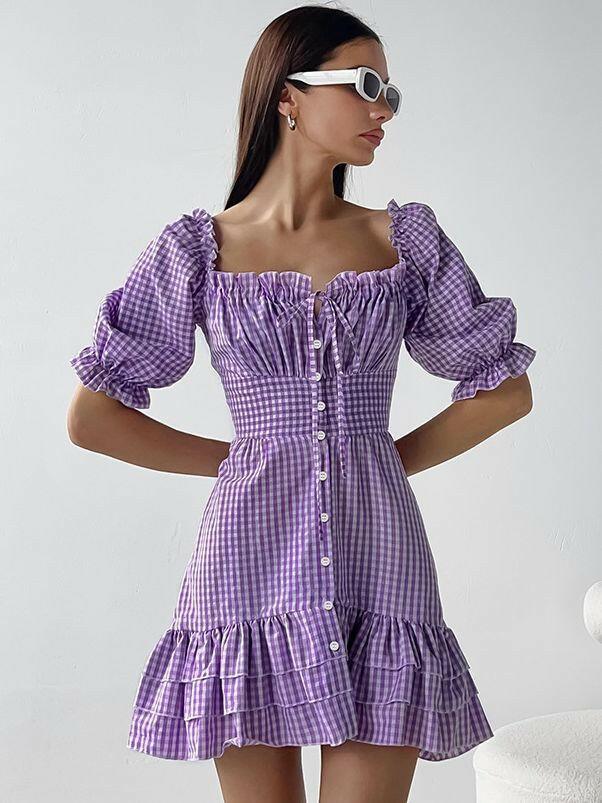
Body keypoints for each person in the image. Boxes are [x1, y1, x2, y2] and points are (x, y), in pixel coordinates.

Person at [67, 6, 536, 803]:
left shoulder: (404, 241)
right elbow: (92, 416)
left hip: (381, 563)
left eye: (390, 91)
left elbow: (504, 390)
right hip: (243, 569)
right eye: (365, 84)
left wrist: (378, 458)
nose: (384, 108)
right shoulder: (196, 252)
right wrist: (238, 460)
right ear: (288, 96)